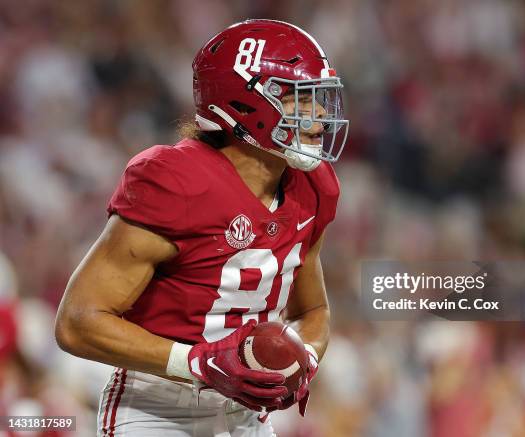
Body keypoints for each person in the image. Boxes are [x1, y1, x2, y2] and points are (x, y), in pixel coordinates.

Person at [55, 19, 349, 437]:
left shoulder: (312, 187)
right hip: (157, 408)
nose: (319, 116)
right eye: (300, 100)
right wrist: (198, 362)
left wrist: (301, 359)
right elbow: (78, 322)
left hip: (246, 416)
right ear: (246, 103)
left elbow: (312, 312)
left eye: (318, 99)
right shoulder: (176, 182)